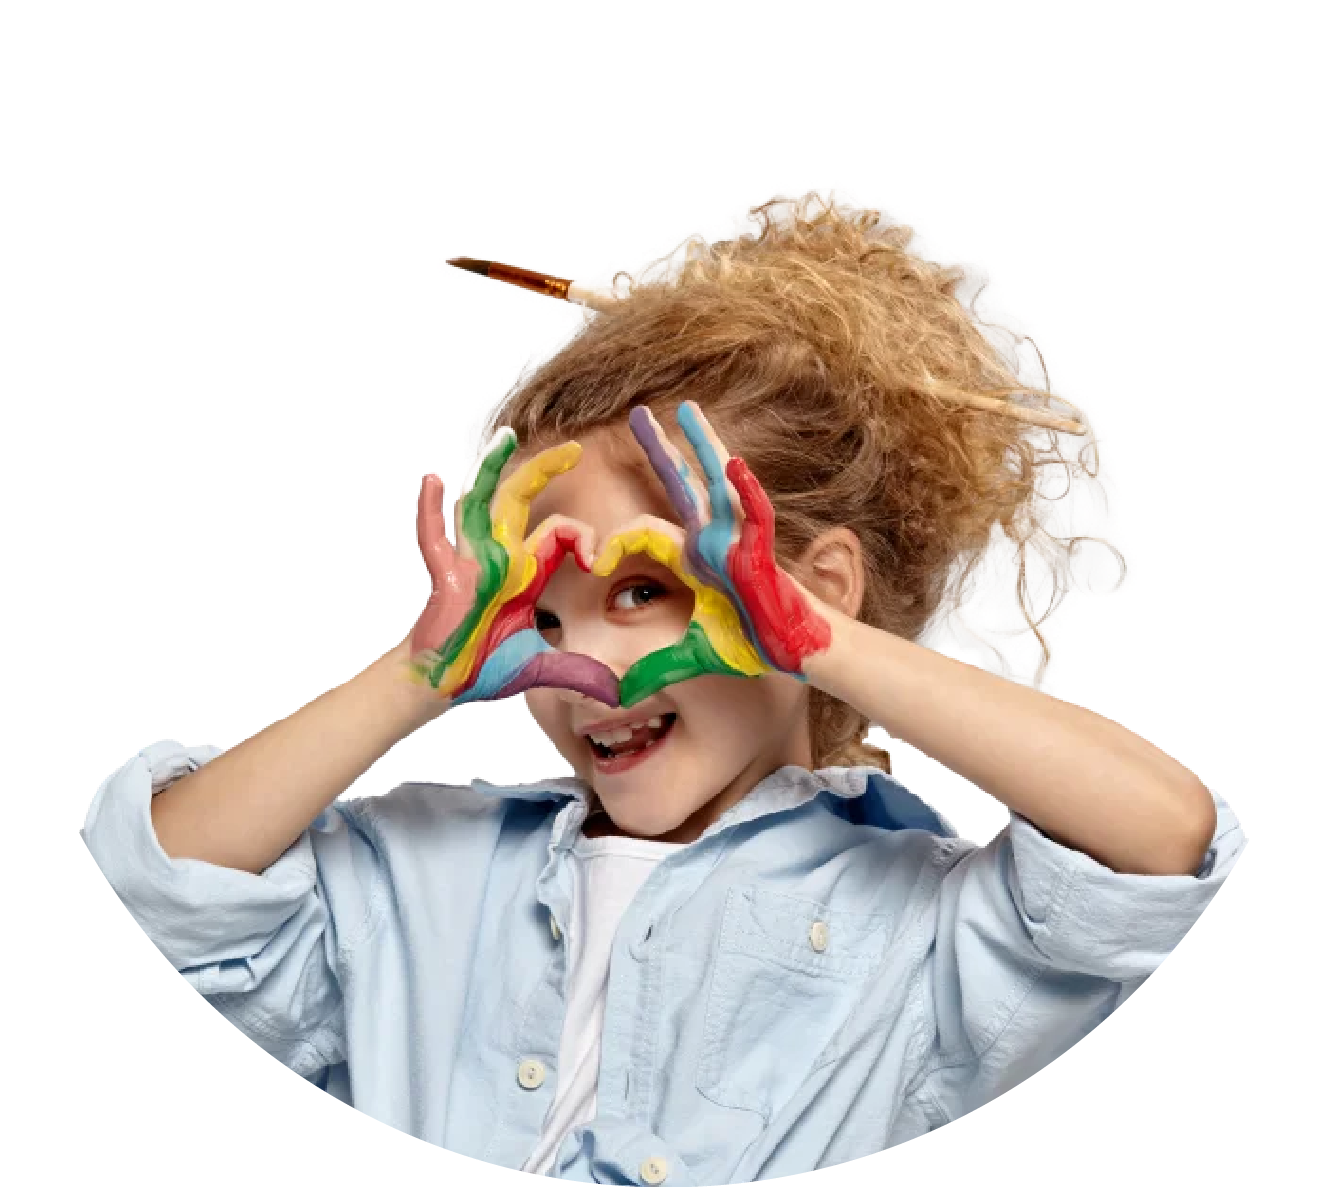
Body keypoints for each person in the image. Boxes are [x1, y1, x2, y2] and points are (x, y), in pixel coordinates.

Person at [81, 188, 1246, 1185]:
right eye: (540, 613)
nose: (588, 669)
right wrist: (411, 679)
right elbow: (152, 903)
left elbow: (1161, 844)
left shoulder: (922, 926)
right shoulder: (412, 877)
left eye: (643, 591)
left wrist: (822, 642)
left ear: (815, 593)